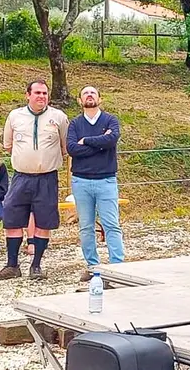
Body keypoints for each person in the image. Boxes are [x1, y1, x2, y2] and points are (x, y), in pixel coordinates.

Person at [0, 79, 69, 280]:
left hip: (47, 178)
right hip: (21, 177)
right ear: (28, 95)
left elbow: (65, 146)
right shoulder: (15, 116)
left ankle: (36, 266)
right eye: (37, 93)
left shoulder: (58, 117)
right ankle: (12, 265)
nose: (41, 96)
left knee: (44, 221)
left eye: (45, 93)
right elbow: (7, 145)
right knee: (13, 219)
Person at [67, 85, 125, 281]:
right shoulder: (74, 124)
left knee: (111, 225)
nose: (89, 95)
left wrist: (88, 141)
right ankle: (93, 266)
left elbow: (112, 140)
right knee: (86, 226)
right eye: (85, 93)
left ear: (100, 98)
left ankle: (118, 268)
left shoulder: (110, 120)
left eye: (93, 93)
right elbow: (72, 149)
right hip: (81, 182)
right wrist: (100, 144)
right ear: (80, 100)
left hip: (106, 181)